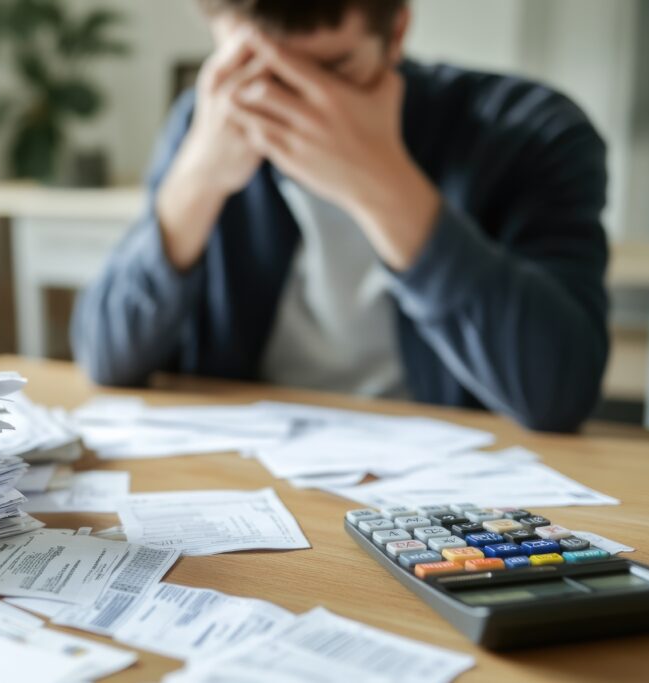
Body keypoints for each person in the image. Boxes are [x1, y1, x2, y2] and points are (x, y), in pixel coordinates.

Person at [70, 0, 609, 432]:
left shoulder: (532, 130)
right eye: (258, 70)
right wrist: (198, 181)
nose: (300, 104)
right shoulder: (207, 120)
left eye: (331, 70)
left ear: (396, 31)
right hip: (251, 484)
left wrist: (382, 181)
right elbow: (105, 357)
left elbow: (557, 392)